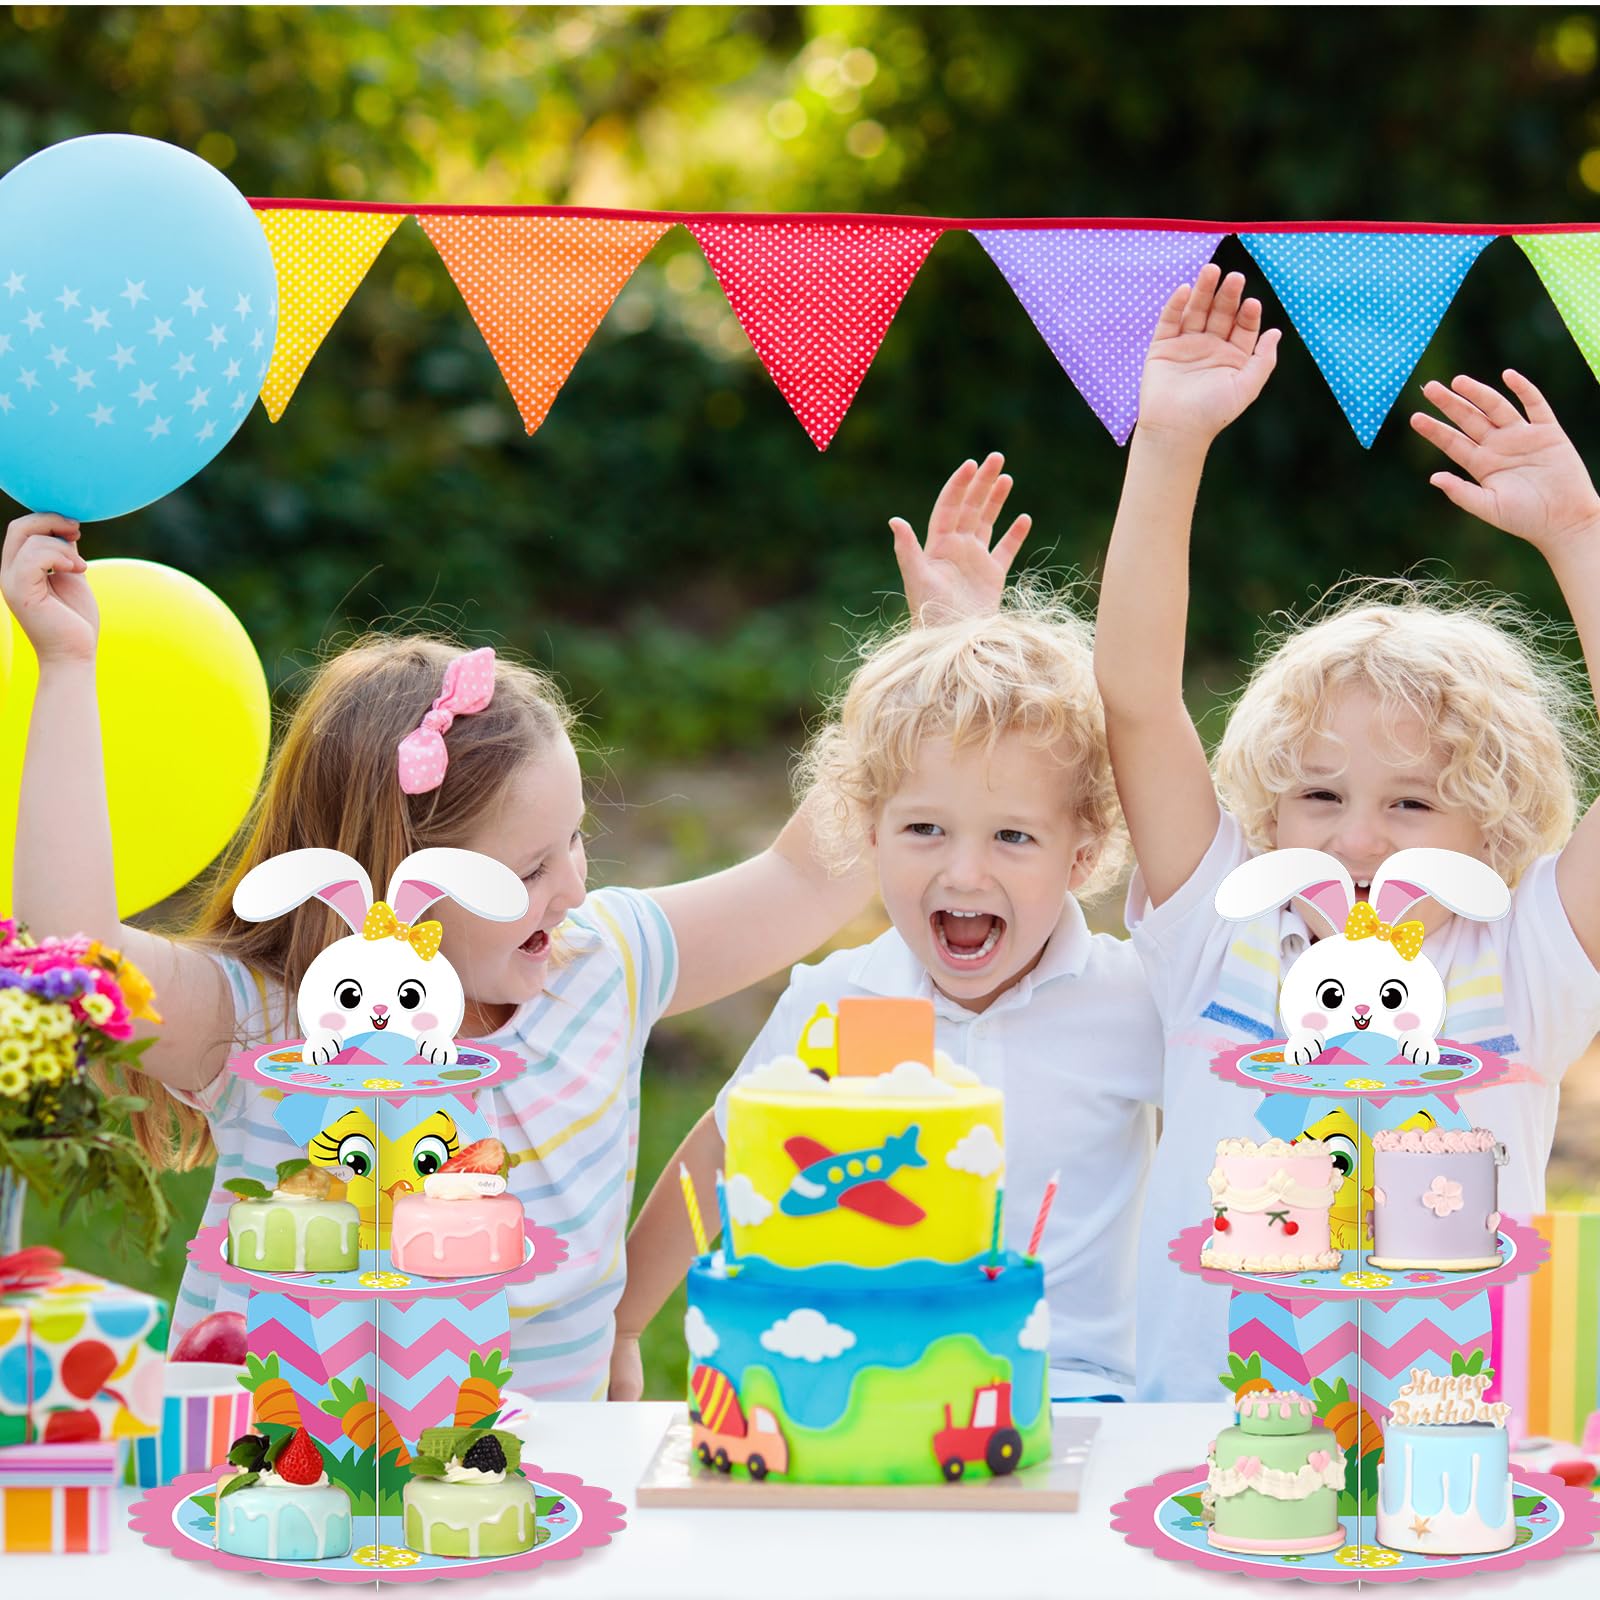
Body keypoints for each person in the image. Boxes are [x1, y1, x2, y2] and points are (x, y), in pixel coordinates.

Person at [1095, 263, 1600, 1400]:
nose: (1356, 841)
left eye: (1411, 802)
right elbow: (1136, 697)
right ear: (1269, 806)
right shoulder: (1221, 925)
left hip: (1459, 1461)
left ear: (1498, 827)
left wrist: (1579, 533)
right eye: (1319, 797)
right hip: (1207, 1452)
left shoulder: (1526, 959)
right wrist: (1167, 444)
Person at [618, 550, 1162, 1398]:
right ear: (868, 832)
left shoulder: (1131, 1000)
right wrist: (621, 1322)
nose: (965, 873)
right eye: (924, 830)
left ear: (1083, 854)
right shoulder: (837, 1003)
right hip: (867, 1387)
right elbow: (727, 1149)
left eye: (1012, 836)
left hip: (1078, 1387)